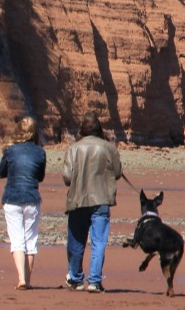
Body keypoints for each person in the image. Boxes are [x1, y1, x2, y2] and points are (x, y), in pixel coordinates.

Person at [62, 116, 122, 293]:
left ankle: (76, 278)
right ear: (99, 129)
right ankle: (94, 281)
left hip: (78, 199)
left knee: (75, 242)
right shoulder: (109, 148)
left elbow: (67, 177)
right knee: (98, 242)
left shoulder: (73, 148)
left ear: (82, 129)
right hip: (101, 199)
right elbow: (117, 173)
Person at [0, 117, 46, 290]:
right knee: (30, 241)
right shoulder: (40, 152)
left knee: (17, 240)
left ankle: (22, 279)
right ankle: (28, 280)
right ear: (34, 132)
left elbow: (0, 172)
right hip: (32, 197)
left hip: (12, 197)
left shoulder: (10, 150)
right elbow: (40, 177)